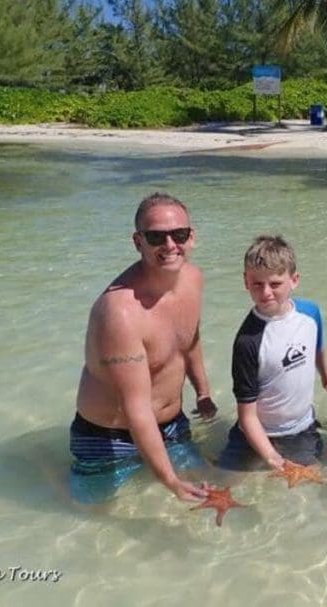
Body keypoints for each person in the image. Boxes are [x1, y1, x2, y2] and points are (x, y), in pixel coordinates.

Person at [70, 192, 217, 504]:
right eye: (156, 237)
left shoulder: (193, 280)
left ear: (192, 238)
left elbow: (189, 339)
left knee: (212, 491)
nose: (169, 246)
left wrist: (203, 392)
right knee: (90, 523)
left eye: (179, 234)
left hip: (172, 427)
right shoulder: (120, 313)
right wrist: (170, 482)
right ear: (138, 242)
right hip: (109, 441)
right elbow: (136, 408)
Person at [217, 235, 327, 471]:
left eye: (275, 284)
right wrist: (275, 460)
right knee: (223, 481)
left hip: (301, 429)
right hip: (254, 432)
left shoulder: (310, 313)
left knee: (314, 481)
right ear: (245, 282)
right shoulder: (248, 342)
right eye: (257, 284)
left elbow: (317, 345)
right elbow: (247, 416)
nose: (266, 293)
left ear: (294, 280)